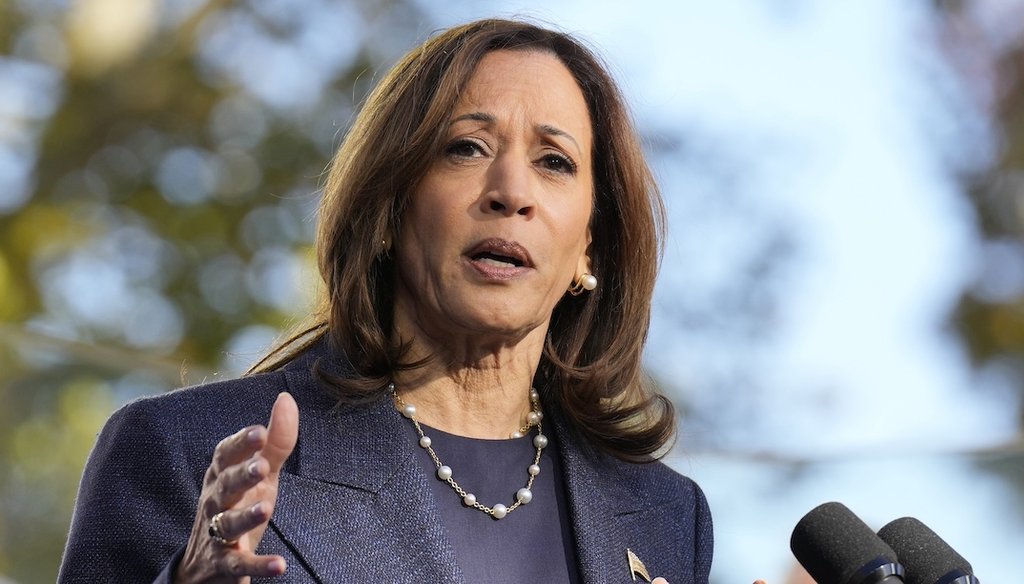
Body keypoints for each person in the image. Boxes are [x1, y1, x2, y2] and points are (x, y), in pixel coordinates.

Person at [59, 18, 714, 583]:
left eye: (554, 161)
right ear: (389, 208)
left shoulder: (665, 516)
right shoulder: (182, 451)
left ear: (589, 250)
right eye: (467, 147)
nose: (511, 190)